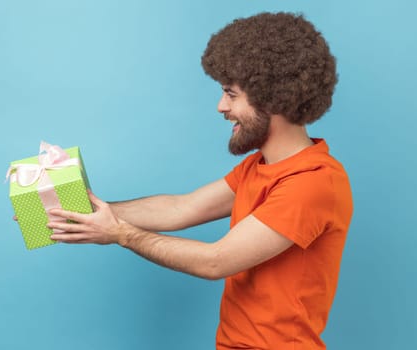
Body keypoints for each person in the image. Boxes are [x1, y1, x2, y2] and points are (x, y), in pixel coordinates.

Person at [46, 12, 353, 350]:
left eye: (231, 95)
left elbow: (216, 261)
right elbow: (182, 207)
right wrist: (84, 209)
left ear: (273, 97)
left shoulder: (313, 182)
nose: (221, 107)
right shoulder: (259, 166)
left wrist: (120, 234)